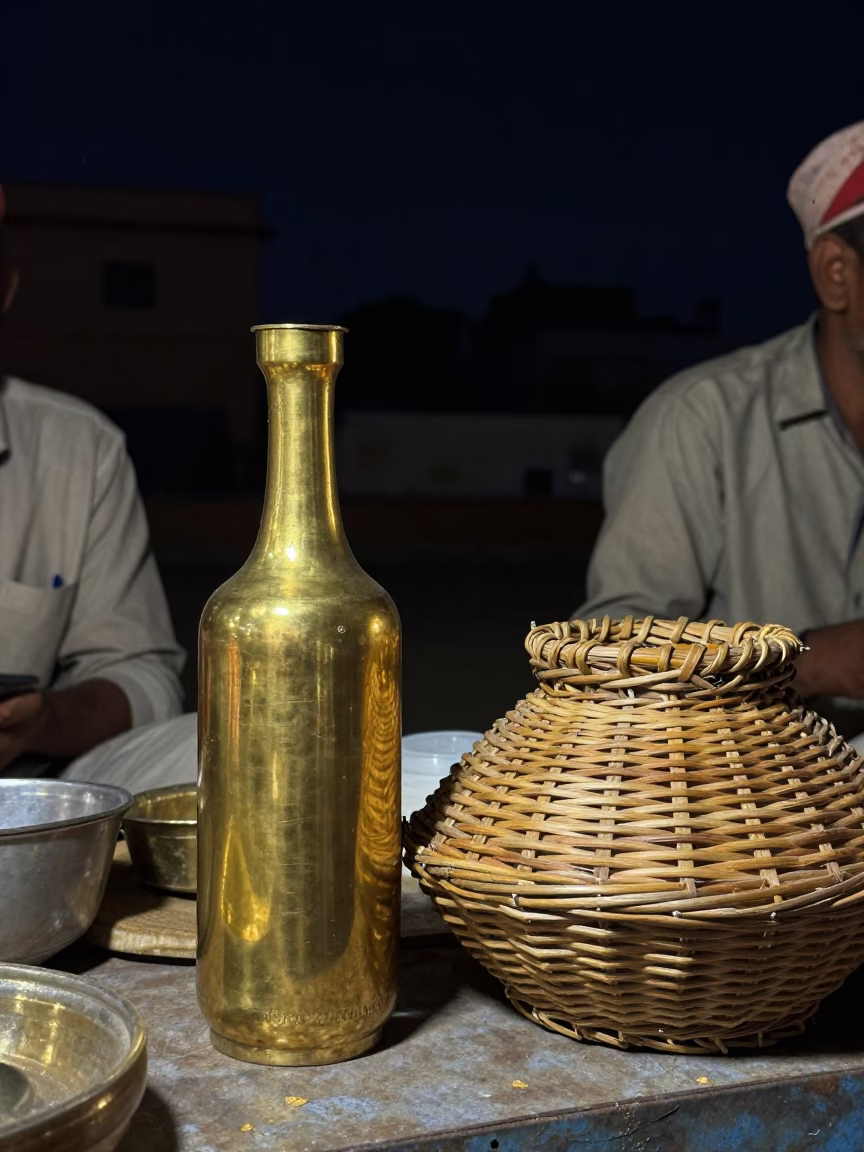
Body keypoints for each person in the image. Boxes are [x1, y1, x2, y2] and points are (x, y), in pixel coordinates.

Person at [577, 121, 864, 727]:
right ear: (836, 272)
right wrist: (807, 661)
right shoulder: (699, 420)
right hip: (746, 807)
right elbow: (605, 662)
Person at [0, 185, 186, 778]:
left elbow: (143, 674)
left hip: (23, 788)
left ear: (3, 289)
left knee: (243, 748)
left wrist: (41, 720)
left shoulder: (80, 449)